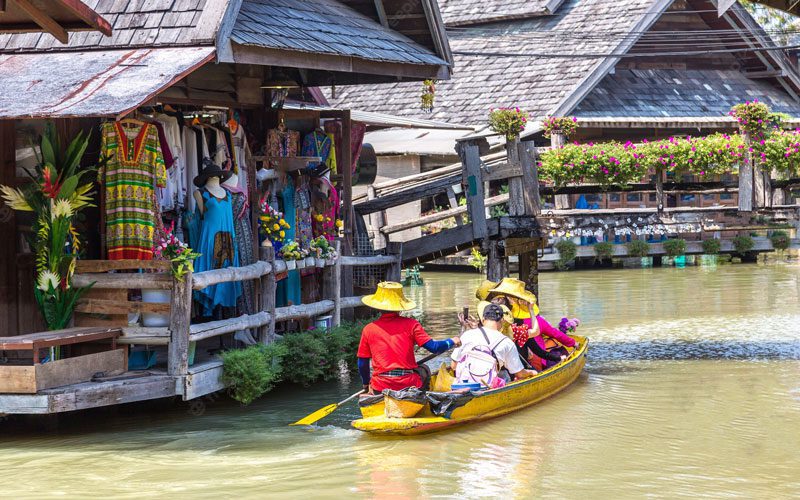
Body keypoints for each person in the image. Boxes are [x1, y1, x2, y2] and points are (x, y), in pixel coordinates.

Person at [357, 282, 461, 394]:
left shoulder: (368, 329)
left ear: (378, 307)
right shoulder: (412, 324)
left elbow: (362, 363)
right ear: (399, 307)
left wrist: (366, 384)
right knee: (424, 370)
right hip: (408, 384)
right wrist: (451, 341)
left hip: (380, 386)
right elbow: (434, 348)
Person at [488, 278, 575, 370]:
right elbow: (538, 335)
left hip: (496, 369)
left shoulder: (486, 328)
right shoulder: (516, 330)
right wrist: (531, 310)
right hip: (518, 371)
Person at [451, 303, 537, 386]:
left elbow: (453, 366)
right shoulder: (507, 342)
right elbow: (520, 374)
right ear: (502, 320)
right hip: (488, 385)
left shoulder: (467, 335)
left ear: (483, 319)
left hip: (463, 384)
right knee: (504, 377)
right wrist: (531, 372)